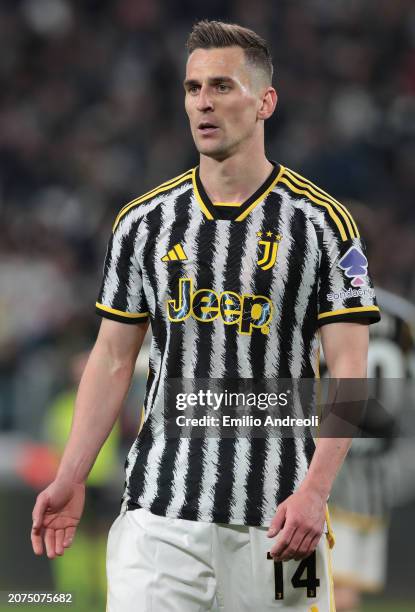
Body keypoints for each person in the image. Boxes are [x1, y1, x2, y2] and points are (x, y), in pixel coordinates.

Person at [31, 20, 381, 611]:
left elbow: (350, 366)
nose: (204, 102)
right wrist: (71, 476)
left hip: (279, 520)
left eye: (222, 86)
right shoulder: (142, 223)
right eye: (193, 88)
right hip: (158, 517)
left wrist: (317, 492)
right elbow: (113, 357)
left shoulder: (322, 224)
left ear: (265, 101)